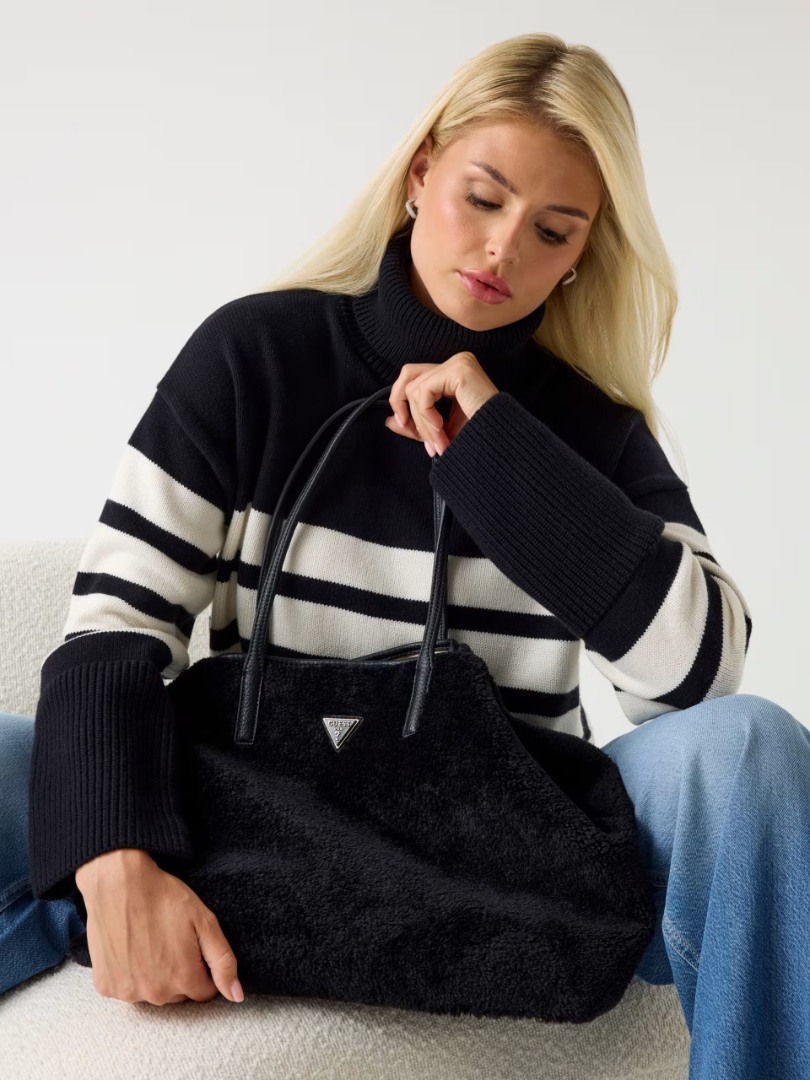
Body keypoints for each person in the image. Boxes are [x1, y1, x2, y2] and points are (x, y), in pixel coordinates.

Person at [1, 30, 808, 1076]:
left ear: (582, 254)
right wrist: (113, 859)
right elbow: (116, 627)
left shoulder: (592, 434)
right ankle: (97, 916)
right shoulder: (256, 356)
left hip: (515, 852)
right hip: (260, 809)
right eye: (484, 197)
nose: (504, 248)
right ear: (421, 174)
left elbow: (694, 684)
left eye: (553, 229)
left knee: (750, 751)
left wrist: (503, 456)